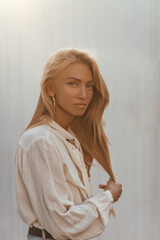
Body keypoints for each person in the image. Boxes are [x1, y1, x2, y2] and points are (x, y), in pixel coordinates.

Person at [14, 48, 122, 240]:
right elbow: (61, 224)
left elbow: (68, 209)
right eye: (73, 83)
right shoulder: (41, 140)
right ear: (50, 88)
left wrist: (85, 169)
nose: (84, 95)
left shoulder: (65, 139)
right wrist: (108, 197)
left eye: (89, 86)